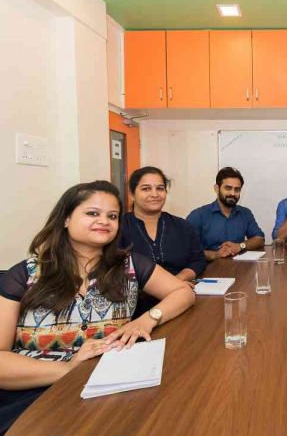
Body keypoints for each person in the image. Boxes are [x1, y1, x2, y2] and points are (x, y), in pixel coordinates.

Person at [0, 181, 195, 433]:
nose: (104, 221)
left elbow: (183, 292)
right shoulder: (24, 274)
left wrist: (147, 319)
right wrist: (68, 369)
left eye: (112, 216)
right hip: (36, 393)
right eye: (92, 213)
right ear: (66, 219)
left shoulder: (129, 265)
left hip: (109, 387)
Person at [120, 166, 206, 315]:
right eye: (146, 189)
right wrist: (164, 287)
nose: (154, 194)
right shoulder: (118, 228)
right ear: (132, 194)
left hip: (181, 303)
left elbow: (198, 260)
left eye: (160, 188)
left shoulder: (182, 226)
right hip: (133, 311)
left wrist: (177, 280)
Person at [187, 167, 265, 261]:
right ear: (217, 188)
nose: (233, 193)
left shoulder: (245, 213)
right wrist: (215, 255)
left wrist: (240, 246)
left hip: (239, 267)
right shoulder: (198, 216)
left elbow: (260, 239)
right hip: (208, 267)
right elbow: (186, 249)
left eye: (237, 189)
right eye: (228, 188)